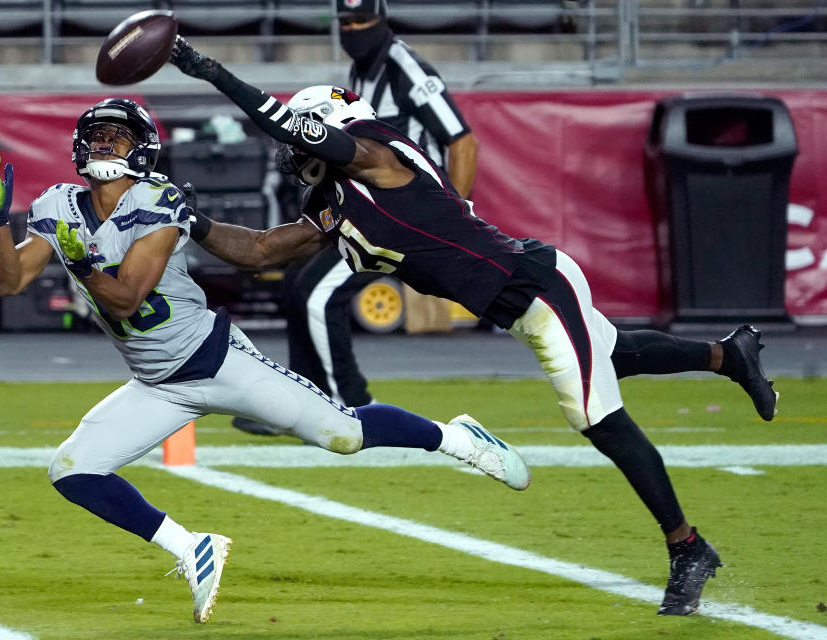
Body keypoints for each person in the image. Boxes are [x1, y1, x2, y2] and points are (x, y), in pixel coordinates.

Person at [166, 40, 779, 616]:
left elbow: (290, 126)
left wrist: (213, 73)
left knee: (594, 415)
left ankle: (687, 546)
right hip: (518, 299)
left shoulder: (376, 151)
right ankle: (729, 356)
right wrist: (190, 220)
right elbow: (261, 251)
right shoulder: (337, 198)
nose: (294, 159)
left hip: (534, 287)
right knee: (610, 354)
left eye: (302, 143)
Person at [0, 98, 531, 624]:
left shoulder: (158, 201)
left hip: (217, 362)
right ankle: (193, 547)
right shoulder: (58, 205)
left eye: (116, 136)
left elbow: (126, 298)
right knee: (72, 470)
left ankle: (458, 439)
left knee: (343, 435)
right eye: (96, 135)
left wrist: (80, 260)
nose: (103, 143)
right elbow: (8, 282)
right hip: (155, 383)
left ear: (142, 149)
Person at [232, 0, 480, 436]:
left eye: (362, 20)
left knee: (317, 295)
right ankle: (298, 401)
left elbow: (462, 142)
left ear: (383, 20)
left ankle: (355, 413)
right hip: (366, 208)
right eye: (345, 22)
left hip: (406, 215)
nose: (354, 29)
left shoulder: (407, 69)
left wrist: (454, 217)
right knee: (296, 283)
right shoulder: (362, 71)